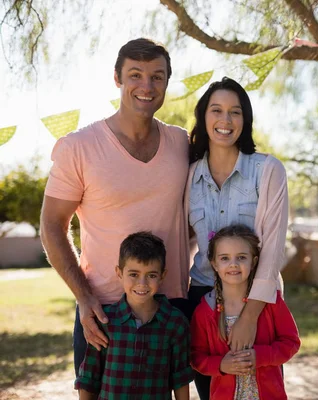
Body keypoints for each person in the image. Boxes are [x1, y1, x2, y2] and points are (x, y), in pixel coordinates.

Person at [40, 38, 190, 376]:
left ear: (167, 82)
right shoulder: (78, 147)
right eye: (135, 74)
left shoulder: (181, 143)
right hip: (105, 311)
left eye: (157, 76)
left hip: (170, 306)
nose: (147, 86)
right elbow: (51, 225)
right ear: (117, 79)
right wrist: (84, 297)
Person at [184, 76, 290, 399]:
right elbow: (184, 241)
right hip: (204, 300)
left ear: (246, 120)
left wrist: (250, 316)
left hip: (258, 300)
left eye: (235, 112)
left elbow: (271, 250)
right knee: (213, 390)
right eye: (216, 110)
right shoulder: (190, 176)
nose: (225, 120)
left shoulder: (268, 170)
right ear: (204, 117)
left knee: (259, 389)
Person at [75, 232, 195, 400]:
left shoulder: (175, 323)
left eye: (151, 275)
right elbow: (90, 376)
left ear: (162, 276)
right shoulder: (105, 321)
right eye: (134, 274)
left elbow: (180, 377)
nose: (142, 283)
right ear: (119, 273)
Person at [190, 224, 300, 400]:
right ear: (214, 264)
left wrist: (261, 356)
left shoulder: (270, 301)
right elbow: (196, 356)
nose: (233, 264)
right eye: (224, 258)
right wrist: (221, 365)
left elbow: (291, 342)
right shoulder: (205, 310)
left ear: (254, 261)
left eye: (241, 257)